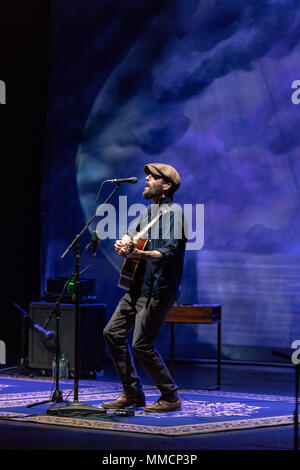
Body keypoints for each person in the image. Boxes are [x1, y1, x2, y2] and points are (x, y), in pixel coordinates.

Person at [102, 163, 186, 412]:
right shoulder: (148, 213)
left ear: (166, 186)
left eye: (153, 177)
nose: (147, 179)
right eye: (148, 176)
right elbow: (131, 233)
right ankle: (133, 393)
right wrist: (124, 242)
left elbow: (168, 253)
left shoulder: (175, 214)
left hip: (158, 289)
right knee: (112, 332)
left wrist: (139, 253)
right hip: (137, 287)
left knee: (141, 344)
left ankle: (170, 397)